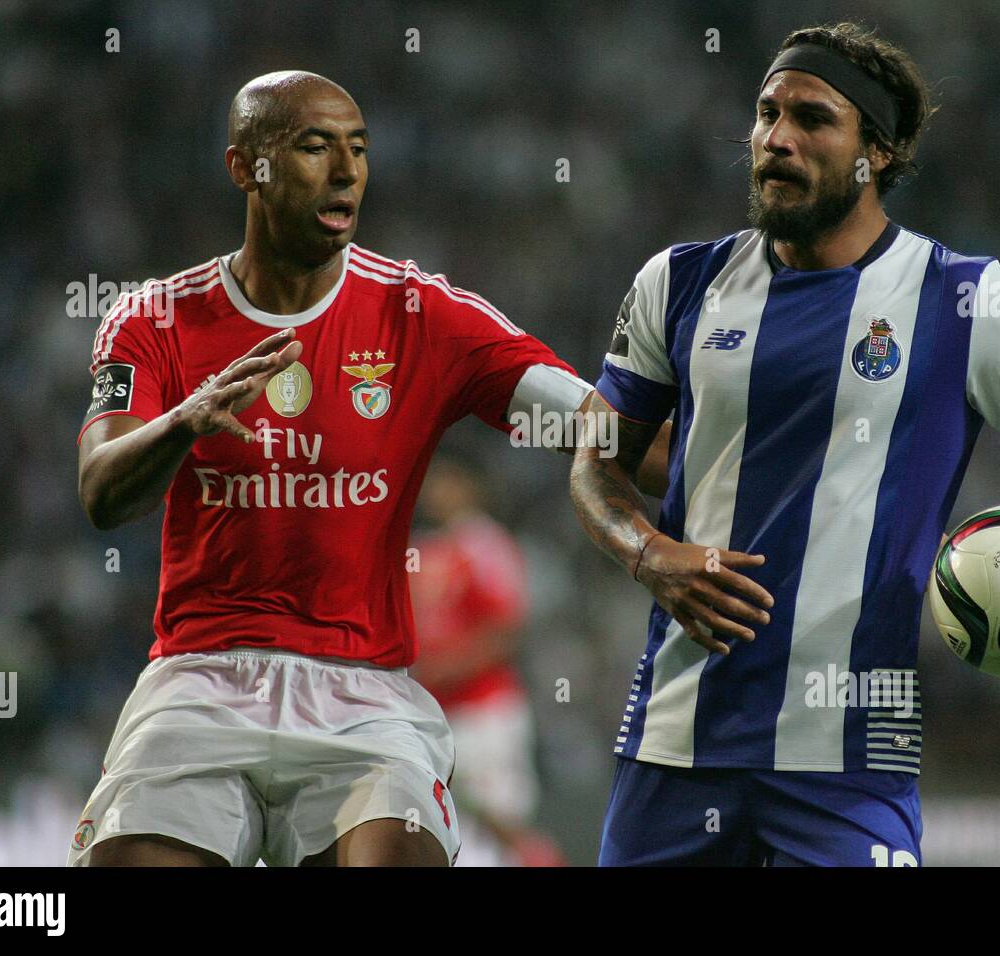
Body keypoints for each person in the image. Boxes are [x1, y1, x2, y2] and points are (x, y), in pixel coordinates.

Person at [569, 22, 1000, 866]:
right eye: (767, 113)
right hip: (676, 741)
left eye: (812, 119)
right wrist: (648, 552)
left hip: (851, 759)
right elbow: (597, 461)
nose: (777, 138)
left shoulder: (964, 299)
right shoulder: (679, 281)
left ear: (875, 152)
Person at [71, 70, 665, 867]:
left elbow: (611, 438)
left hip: (362, 694)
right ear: (246, 167)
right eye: (314, 147)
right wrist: (185, 421)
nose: (346, 170)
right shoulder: (154, 318)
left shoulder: (425, 315)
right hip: (200, 682)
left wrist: (762, 442)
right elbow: (103, 492)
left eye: (358, 149)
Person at [409, 458, 565, 866]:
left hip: (485, 707)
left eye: (444, 482)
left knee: (501, 820)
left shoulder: (483, 544)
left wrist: (442, 669)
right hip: (441, 712)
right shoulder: (429, 547)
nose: (434, 493)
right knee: (464, 830)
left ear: (468, 486)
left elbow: (506, 630)